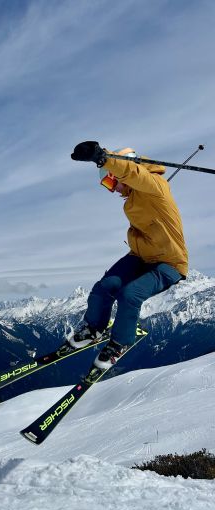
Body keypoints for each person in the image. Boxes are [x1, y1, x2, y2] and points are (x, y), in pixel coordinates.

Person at [68, 140, 188, 370]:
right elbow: (132, 177)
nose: (113, 189)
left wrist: (103, 158)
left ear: (122, 174)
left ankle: (119, 343)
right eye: (107, 185)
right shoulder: (133, 201)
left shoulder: (155, 186)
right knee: (105, 286)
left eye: (111, 181)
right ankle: (93, 328)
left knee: (130, 295)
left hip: (169, 262)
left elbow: (136, 174)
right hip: (141, 257)